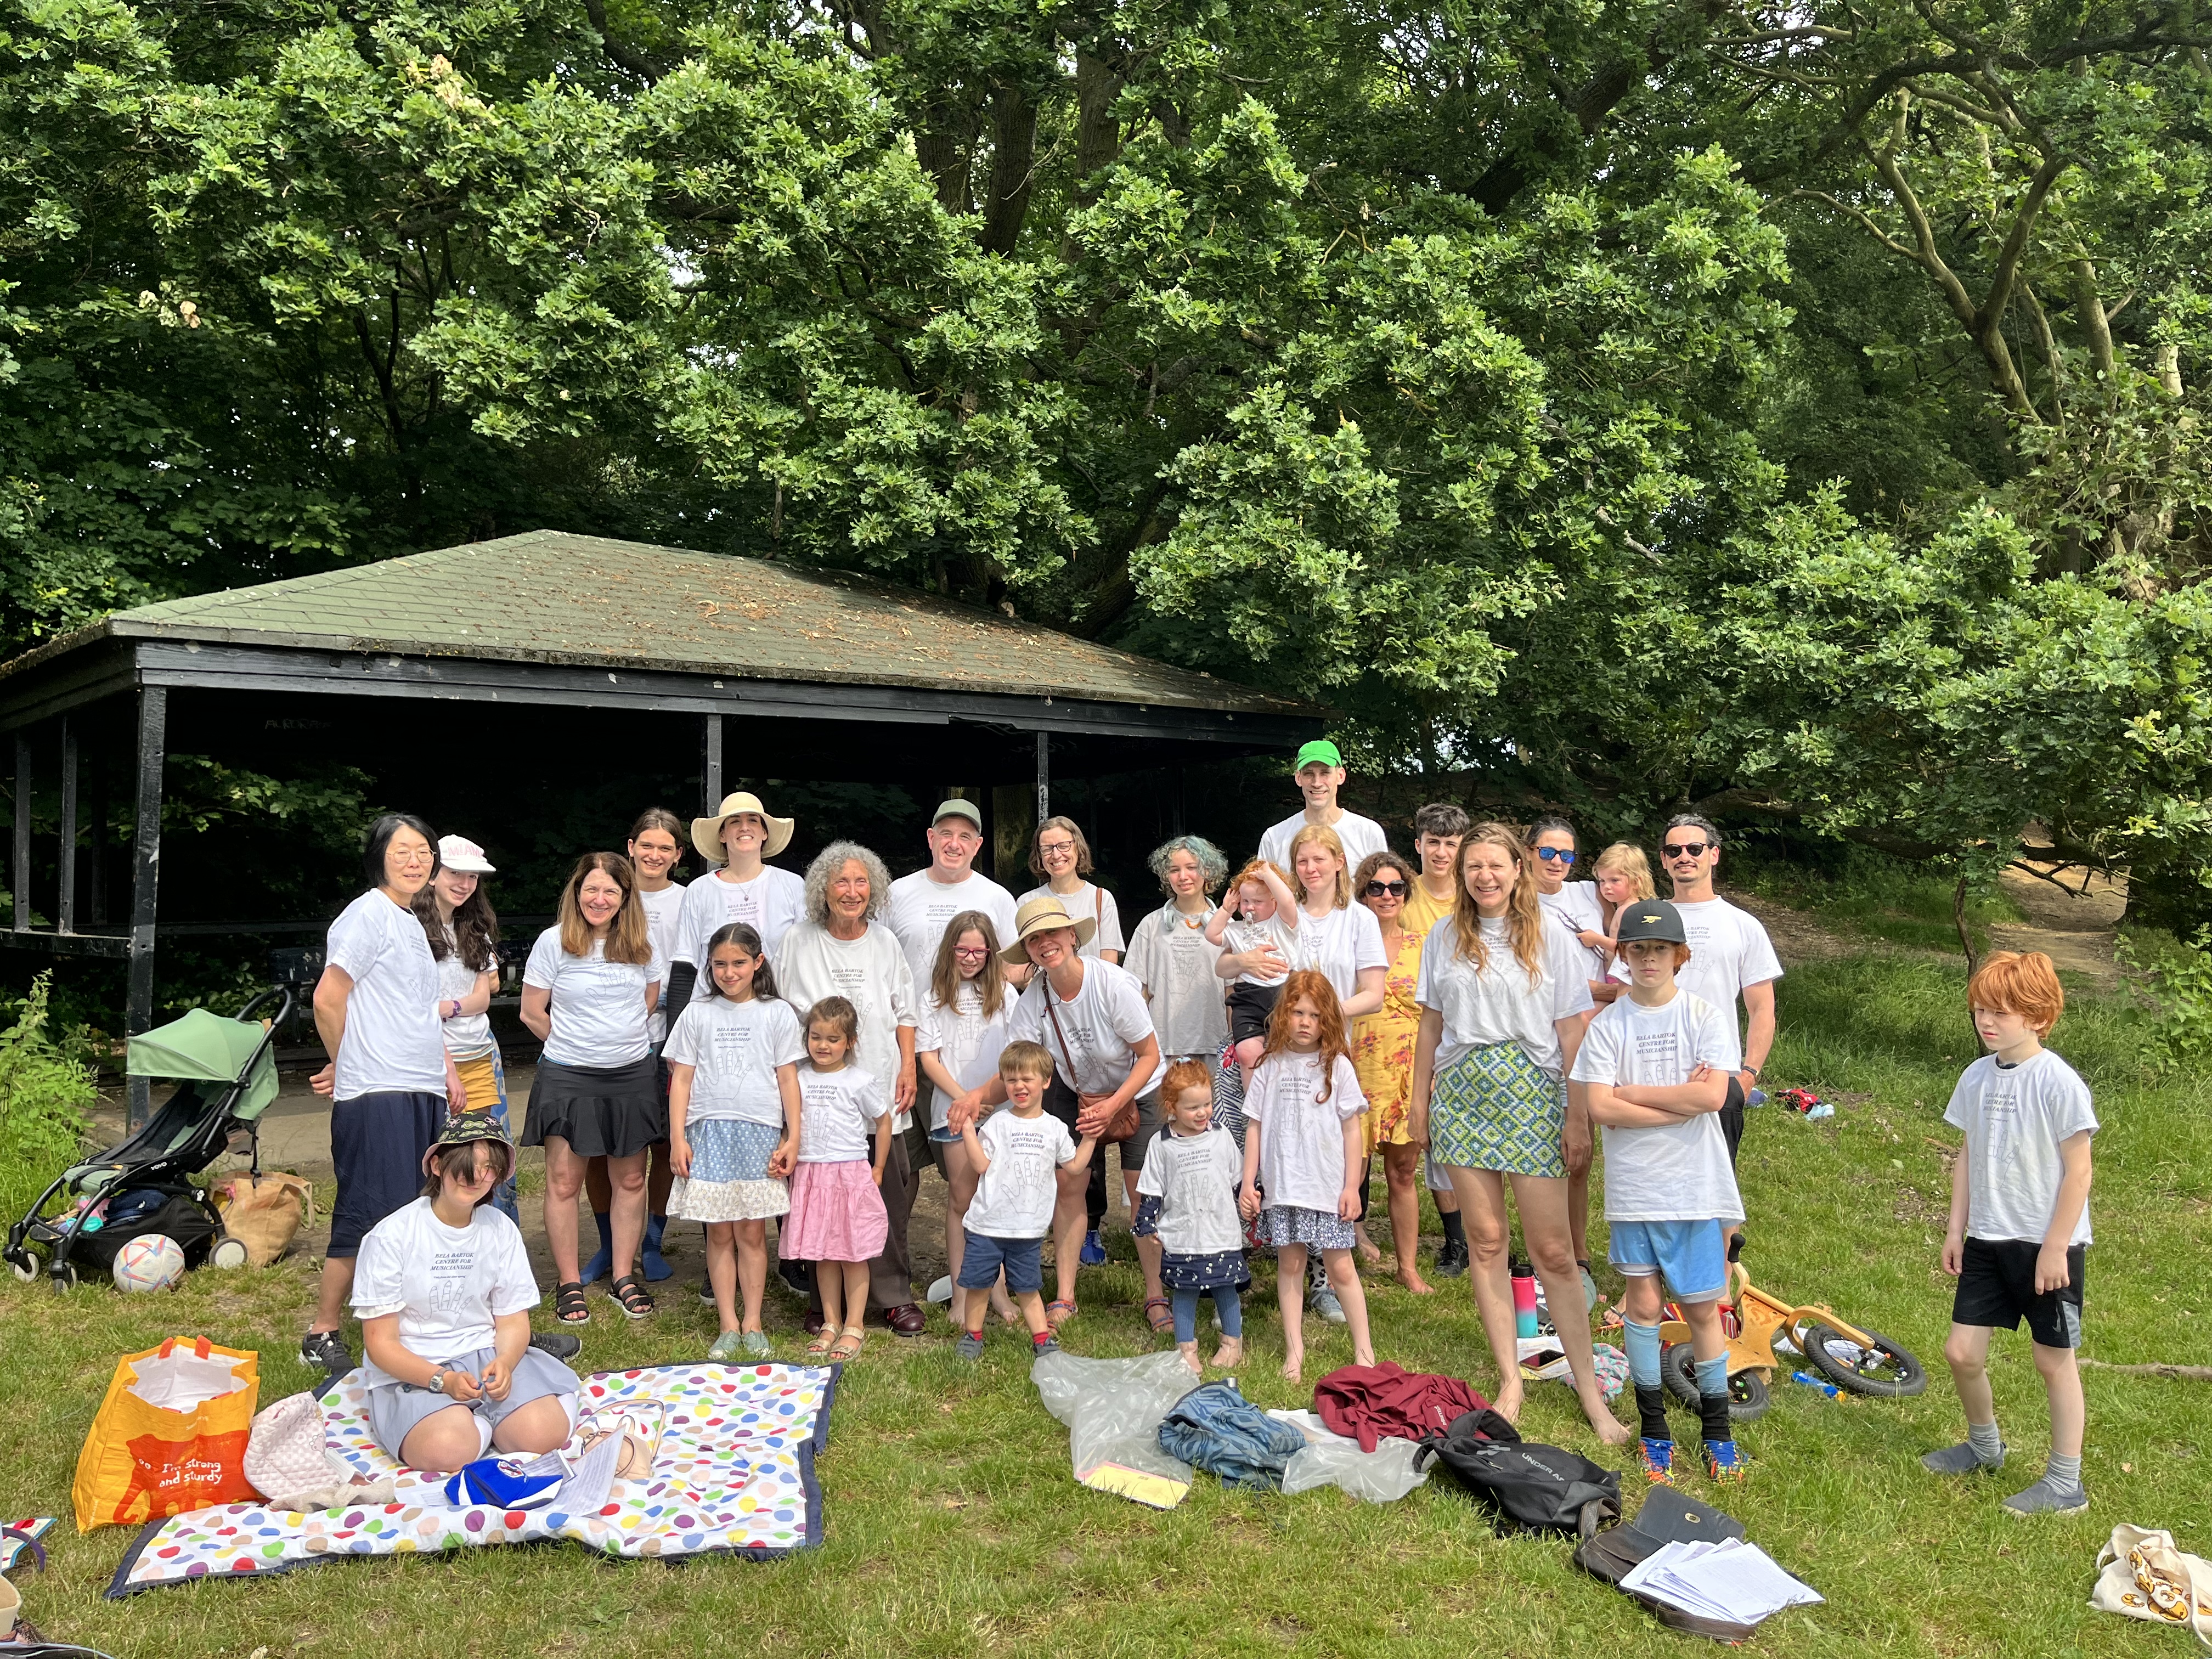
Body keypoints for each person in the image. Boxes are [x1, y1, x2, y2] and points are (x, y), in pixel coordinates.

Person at [1408, 822, 1623, 1442]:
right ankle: (1509, 1378)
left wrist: (1577, 1115)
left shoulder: (1550, 936)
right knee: (1485, 1242)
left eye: (1495, 865)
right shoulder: (1444, 937)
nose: (1484, 876)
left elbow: (1572, 1032)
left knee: (1554, 1252)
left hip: (1533, 1092)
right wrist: (1420, 1107)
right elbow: (1429, 1026)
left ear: (1517, 868)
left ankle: (1589, 1389)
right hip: (1464, 1094)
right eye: (1473, 866)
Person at [1571, 899, 1748, 1483]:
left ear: (1681, 956)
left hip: (1695, 1189)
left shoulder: (1703, 1015)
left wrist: (1635, 1096)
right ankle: (1654, 1431)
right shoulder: (1609, 1025)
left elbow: (1714, 1098)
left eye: (1660, 950)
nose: (1649, 959)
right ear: (1622, 956)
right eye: (1638, 949)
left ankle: (1718, 1436)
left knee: (1701, 1308)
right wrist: (1675, 1100)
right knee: (1643, 1307)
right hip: (1636, 1192)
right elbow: (1598, 1106)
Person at [1923, 951, 2095, 1517]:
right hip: (1987, 1240)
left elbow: (2080, 1171)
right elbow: (1967, 1154)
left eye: (2001, 1012)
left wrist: (2054, 1246)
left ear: (2039, 1017)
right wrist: (1956, 1228)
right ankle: (1983, 1446)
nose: (1987, 1022)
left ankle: (2065, 1482)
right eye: (1980, 1011)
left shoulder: (2058, 1081)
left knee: (2053, 1361)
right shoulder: (1975, 1076)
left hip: (2048, 1248)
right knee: (1960, 1352)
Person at [957, 895, 1165, 1331]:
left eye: (1052, 933)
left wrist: (1113, 1105)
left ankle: (1156, 1295)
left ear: (1073, 936)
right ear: (1029, 950)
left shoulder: (1112, 984)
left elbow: (1149, 1055)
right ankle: (1066, 1296)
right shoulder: (1035, 998)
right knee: (1069, 1181)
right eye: (1034, 939)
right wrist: (977, 1096)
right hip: (1078, 1089)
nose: (1045, 943)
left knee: (1141, 1190)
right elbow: (1017, 1068)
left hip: (1138, 1087)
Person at [303, 812, 463, 1375]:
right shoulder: (367, 914)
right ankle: (323, 1331)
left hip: (418, 1086)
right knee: (370, 1211)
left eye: (424, 851)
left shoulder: (410, 921)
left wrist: (445, 1071)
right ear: (379, 858)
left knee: (417, 1209)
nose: (416, 860)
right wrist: (348, 1065)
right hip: (379, 1093)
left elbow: (414, 1012)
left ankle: (406, 1327)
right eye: (403, 851)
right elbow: (329, 998)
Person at [353, 1118, 580, 1472]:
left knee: (544, 1436)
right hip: (416, 1366)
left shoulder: (500, 1228)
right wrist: (441, 1380)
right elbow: (380, 1343)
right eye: (465, 1166)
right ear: (437, 1164)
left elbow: (512, 1320)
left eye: (489, 1168)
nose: (475, 1178)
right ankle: (479, 1428)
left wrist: (505, 1362)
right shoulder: (391, 1236)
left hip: (484, 1357)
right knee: (447, 1450)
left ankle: (493, 1423)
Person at [777, 842, 924, 1335]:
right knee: (819, 1198)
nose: (852, 891)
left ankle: (891, 1296)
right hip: (817, 1098)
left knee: (886, 1196)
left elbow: (906, 1011)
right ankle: (825, 1303)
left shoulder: (884, 942)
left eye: (862, 882)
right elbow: (779, 1016)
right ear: (823, 888)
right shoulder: (798, 940)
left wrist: (908, 1065)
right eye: (842, 881)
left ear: (874, 889)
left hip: (877, 1088)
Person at [520, 853, 665, 1327]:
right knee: (564, 1182)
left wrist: (615, 1042)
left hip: (630, 1074)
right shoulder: (553, 943)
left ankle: (624, 1274)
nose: (599, 900)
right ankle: (568, 1281)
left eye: (610, 892)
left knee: (631, 1179)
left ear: (625, 899)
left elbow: (648, 999)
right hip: (568, 1076)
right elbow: (531, 1010)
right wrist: (572, 1044)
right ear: (576, 893)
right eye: (591, 890)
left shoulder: (643, 943)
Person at [664, 923, 804, 1361]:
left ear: (758, 962)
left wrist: (793, 1137)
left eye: (739, 963)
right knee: (719, 1234)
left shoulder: (777, 1013)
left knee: (751, 1232)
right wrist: (676, 1138)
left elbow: (788, 1078)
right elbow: (681, 1079)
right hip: (708, 1133)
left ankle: (754, 1321)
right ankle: (728, 1324)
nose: (729, 972)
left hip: (758, 1132)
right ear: (710, 965)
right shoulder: (697, 1014)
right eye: (720, 964)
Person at [1238, 972, 1375, 1384]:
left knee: (1341, 1266)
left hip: (1328, 1188)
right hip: (1284, 1188)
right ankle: (1294, 1352)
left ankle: (1364, 1352)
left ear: (1327, 1020)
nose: (1304, 1022)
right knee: (1291, 1263)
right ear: (1284, 1015)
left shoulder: (1338, 1067)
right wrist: (1249, 1183)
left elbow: (1354, 1130)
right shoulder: (1269, 1066)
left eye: (1314, 1015)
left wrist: (1352, 1186)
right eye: (1297, 1013)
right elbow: (1255, 1126)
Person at [1283, 822, 1387, 1322]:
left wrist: (1326, 1016)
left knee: (1332, 1155)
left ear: (1340, 862)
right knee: (1288, 1150)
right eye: (1302, 862)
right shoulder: (1285, 916)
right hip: (1287, 1052)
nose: (1311, 869)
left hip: (1337, 1051)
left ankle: (1328, 1274)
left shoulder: (1360, 919)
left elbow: (1375, 992)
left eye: (1319, 860)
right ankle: (1288, 1259)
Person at [580, 808, 690, 1286]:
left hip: (670, 1037)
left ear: (678, 855)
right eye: (647, 845)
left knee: (664, 1141)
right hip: (612, 1040)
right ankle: (609, 1244)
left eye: (665, 848)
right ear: (630, 847)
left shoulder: (689, 900)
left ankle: (651, 1239)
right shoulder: (606, 896)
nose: (654, 855)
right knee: (604, 1146)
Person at [954, 1040, 1097, 1361]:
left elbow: (1074, 1167)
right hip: (987, 1225)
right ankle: (973, 1335)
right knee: (978, 1285)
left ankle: (1042, 1339)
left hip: (1028, 1230)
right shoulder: (998, 1124)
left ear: (1046, 1082)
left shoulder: (1055, 1128)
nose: (1019, 1086)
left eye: (1027, 1079)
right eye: (1011, 1080)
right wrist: (967, 1129)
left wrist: (1091, 1136)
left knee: (1028, 1288)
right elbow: (981, 1166)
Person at [1657, 814, 1782, 1169]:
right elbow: (1625, 997)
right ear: (1664, 860)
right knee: (1656, 1186)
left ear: (1714, 855)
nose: (1685, 856)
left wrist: (1748, 1075)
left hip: (1721, 1076)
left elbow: (1762, 1009)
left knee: (1716, 1186)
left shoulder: (1743, 925)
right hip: (1654, 1073)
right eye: (1674, 850)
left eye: (1695, 848)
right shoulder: (1648, 920)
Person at [914, 911, 1018, 1334]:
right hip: (953, 1113)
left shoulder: (1007, 995)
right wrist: (965, 1100)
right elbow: (929, 1060)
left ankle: (999, 1289)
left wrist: (989, 1097)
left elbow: (1017, 1052)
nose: (971, 957)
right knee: (962, 1199)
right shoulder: (933, 998)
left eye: (979, 950)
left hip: (1001, 1110)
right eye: (962, 949)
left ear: (990, 951)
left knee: (996, 1202)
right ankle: (960, 1293)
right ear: (949, 950)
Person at [784, 997, 891, 1363]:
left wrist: (877, 1168)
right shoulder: (797, 1078)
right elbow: (790, 1124)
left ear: (851, 1042)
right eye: (816, 1037)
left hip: (849, 1174)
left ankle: (854, 1324)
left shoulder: (859, 1080)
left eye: (833, 1039)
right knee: (823, 1254)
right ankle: (830, 1321)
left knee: (852, 1253)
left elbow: (883, 1120)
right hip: (812, 1174)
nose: (823, 1046)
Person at [413, 834, 515, 1221]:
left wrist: (445, 1006)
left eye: (472, 877)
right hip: (429, 1062)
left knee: (479, 1154)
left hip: (477, 1056)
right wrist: (454, 1007)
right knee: (434, 1155)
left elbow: (482, 999)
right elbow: (416, 1007)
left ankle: (481, 1234)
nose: (464, 883)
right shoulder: (412, 931)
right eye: (455, 873)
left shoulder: (474, 931)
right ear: (433, 875)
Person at [1527, 814, 1606, 1307]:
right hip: (1544, 1036)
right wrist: (1600, 991)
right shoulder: (1517, 900)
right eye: (1548, 853)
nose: (1558, 862)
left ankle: (1578, 1254)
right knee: (1549, 1152)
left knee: (1582, 1152)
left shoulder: (1588, 896)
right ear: (1529, 853)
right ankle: (1551, 1254)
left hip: (1597, 1039)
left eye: (1568, 855)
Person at [1350, 850, 1432, 1292]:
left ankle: (1408, 1266)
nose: (1386, 895)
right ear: (1363, 893)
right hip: (1356, 1066)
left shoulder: (1426, 944)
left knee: (1403, 1173)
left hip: (1407, 1070)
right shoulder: (1347, 941)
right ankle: (1337, 1268)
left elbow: (1441, 1013)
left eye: (1395, 887)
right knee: (1350, 1172)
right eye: (1376, 887)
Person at [1134, 1059, 1247, 1374]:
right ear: (1172, 1107)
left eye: (1208, 1104)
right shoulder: (1161, 1144)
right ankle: (1186, 1349)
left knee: (1226, 1286)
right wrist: (1147, 1220)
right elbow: (1153, 1187)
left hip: (1220, 1230)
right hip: (1183, 1234)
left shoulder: (1221, 1136)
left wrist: (1249, 1200)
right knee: (1184, 1291)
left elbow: (1237, 1176)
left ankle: (1232, 1342)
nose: (1203, 1113)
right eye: (1193, 1107)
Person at [1404, 803, 1471, 1279]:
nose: (1442, 852)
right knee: (1431, 1140)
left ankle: (1492, 1234)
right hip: (1411, 1028)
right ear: (1419, 845)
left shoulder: (1476, 895)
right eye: (1434, 842)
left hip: (1467, 1029)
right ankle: (1456, 1241)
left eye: (1451, 843)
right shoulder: (1401, 895)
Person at [672, 792, 806, 1006]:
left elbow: (806, 957)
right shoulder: (699, 890)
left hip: (778, 1012)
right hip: (714, 1013)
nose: (745, 827)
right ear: (722, 835)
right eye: (735, 821)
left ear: (764, 833)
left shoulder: (793, 885)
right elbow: (685, 965)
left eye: (753, 820)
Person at [884, 799, 1022, 990]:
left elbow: (1021, 964)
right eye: (946, 834)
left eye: (965, 837)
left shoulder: (998, 897)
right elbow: (873, 957)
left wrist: (986, 985)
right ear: (931, 838)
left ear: (977, 845)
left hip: (979, 1019)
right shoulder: (897, 893)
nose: (954, 844)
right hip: (911, 1019)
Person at [1123, 836, 1231, 1074]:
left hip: (1214, 1046)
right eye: (1174, 870)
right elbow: (1135, 992)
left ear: (1208, 872)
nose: (1183, 877)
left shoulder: (1227, 927)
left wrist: (1234, 1043)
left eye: (1192, 868)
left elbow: (1232, 991)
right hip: (1161, 1049)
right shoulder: (1150, 926)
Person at [1204, 858, 1300, 1085]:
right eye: (1245, 901)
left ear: (1274, 902)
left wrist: (1268, 876)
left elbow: (1288, 901)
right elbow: (1212, 935)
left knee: (1285, 1054)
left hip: (1282, 993)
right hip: (1247, 996)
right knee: (1247, 1054)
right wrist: (1227, 910)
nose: (1250, 907)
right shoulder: (1236, 929)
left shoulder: (1282, 923)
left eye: (1258, 901)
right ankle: (1253, 1109)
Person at [1257, 739, 1388, 876]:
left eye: (1325, 773)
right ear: (1298, 778)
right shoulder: (1275, 838)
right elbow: (1260, 893)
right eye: (1309, 774)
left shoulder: (1368, 833)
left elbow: (1384, 889)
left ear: (1341, 776)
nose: (1317, 783)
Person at [1021, 816, 1124, 964]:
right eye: (1047, 849)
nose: (1056, 855)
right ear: (1039, 855)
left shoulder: (1101, 899)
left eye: (1064, 846)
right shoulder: (1028, 902)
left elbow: (1109, 964)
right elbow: (1023, 965)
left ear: (1078, 847)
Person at [1582, 842, 1658, 1002]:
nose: (1606, 887)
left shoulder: (1630, 911)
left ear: (1636, 882)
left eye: (1614, 881)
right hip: (1616, 977)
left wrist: (1596, 940)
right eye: (1602, 881)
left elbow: (1630, 949)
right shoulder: (1621, 909)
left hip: (1623, 979)